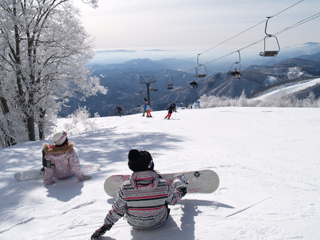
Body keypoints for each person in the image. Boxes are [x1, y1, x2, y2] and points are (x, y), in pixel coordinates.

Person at [91, 149, 188, 240]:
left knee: (125, 203)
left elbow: (117, 209)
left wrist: (105, 227)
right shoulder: (162, 184)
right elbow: (173, 200)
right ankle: (178, 183)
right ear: (151, 164)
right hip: (159, 221)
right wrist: (180, 191)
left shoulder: (126, 187)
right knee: (165, 198)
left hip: (134, 223)